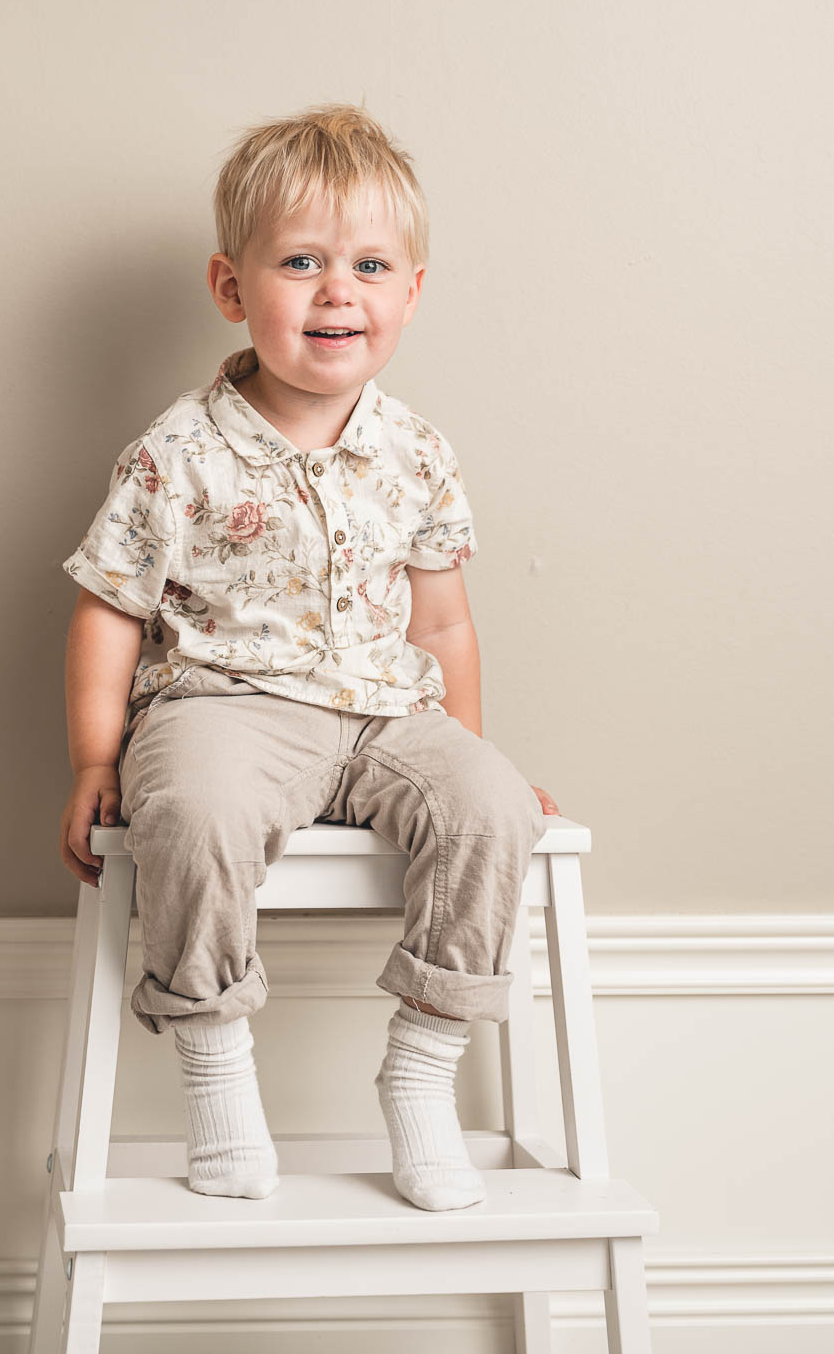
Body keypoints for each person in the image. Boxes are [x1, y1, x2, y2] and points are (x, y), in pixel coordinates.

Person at [58, 102, 560, 1213]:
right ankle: (214, 1069)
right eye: (301, 263)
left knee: (492, 809)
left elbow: (442, 625)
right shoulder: (175, 451)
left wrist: (468, 754)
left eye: (369, 266)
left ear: (409, 294)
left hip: (388, 714)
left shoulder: (416, 451)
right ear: (231, 287)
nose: (338, 291)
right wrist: (96, 758)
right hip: (224, 705)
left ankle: (421, 1071)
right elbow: (108, 607)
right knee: (192, 813)